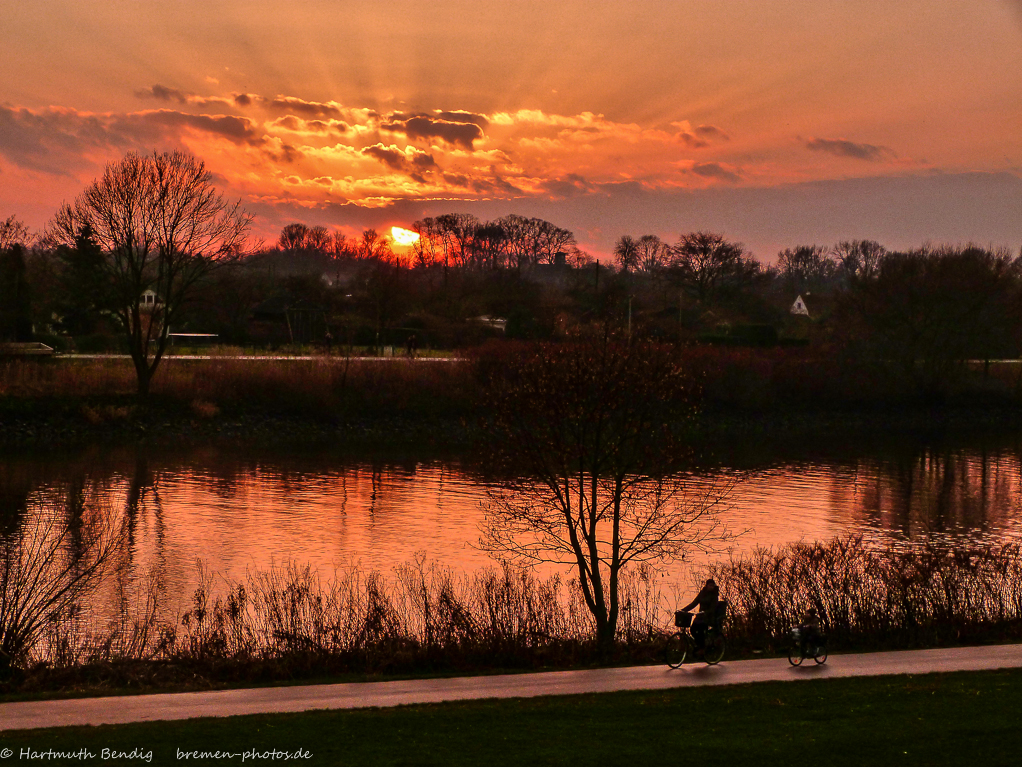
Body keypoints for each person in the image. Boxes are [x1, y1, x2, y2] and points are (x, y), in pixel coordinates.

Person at [680, 578, 719, 651]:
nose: (711, 587)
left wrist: (706, 612)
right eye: (710, 585)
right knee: (692, 629)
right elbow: (694, 603)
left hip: (709, 617)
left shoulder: (714, 595)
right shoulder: (702, 593)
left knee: (700, 631)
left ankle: (702, 648)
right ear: (706, 585)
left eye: (712, 585)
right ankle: (699, 645)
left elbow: (713, 607)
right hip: (700, 616)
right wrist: (683, 610)